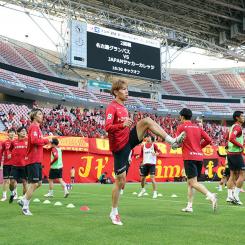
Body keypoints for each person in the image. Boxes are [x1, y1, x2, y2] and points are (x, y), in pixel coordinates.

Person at [105, 79, 185, 225]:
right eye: (123, 89)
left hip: (128, 140)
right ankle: (114, 212)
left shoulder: (124, 107)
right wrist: (121, 124)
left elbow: (125, 127)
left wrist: (125, 127)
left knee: (147, 121)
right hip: (119, 148)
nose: (126, 91)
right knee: (120, 181)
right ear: (116, 92)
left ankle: (172, 141)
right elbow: (107, 127)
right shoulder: (112, 107)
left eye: (127, 89)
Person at [175, 108, 217, 213]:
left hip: (189, 157)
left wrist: (175, 146)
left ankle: (211, 196)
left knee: (193, 182)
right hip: (199, 157)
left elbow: (177, 142)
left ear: (182, 116)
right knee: (190, 182)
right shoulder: (197, 127)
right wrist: (198, 147)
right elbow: (208, 140)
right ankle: (189, 206)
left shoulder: (181, 127)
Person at [19, 108, 50, 215]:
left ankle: (23, 199)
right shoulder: (34, 126)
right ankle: (25, 207)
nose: (42, 116)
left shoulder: (37, 128)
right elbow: (34, 141)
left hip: (36, 159)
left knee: (39, 183)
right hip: (33, 159)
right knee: (34, 183)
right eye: (40, 114)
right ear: (34, 116)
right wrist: (46, 140)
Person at [226, 111, 245, 205]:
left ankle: (229, 196)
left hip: (230, 153)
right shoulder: (238, 127)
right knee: (242, 175)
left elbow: (227, 137)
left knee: (232, 175)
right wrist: (241, 146)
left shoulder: (233, 126)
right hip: (236, 154)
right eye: (242, 116)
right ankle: (236, 197)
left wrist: (227, 147)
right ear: (237, 118)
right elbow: (231, 138)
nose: (243, 117)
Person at [9, 127, 28, 203]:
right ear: (18, 133)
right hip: (15, 166)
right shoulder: (14, 142)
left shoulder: (28, 141)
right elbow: (10, 150)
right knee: (12, 182)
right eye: (22, 131)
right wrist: (11, 155)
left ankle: (23, 199)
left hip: (25, 166)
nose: (24, 132)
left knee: (24, 182)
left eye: (25, 131)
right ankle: (12, 192)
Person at [1, 128, 16, 202]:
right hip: (6, 164)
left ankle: (14, 193)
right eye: (10, 132)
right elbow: (1, 152)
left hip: (15, 164)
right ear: (8, 133)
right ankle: (4, 195)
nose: (12, 133)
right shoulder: (4, 142)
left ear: (15, 133)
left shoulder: (17, 142)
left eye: (13, 132)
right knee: (6, 180)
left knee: (13, 181)